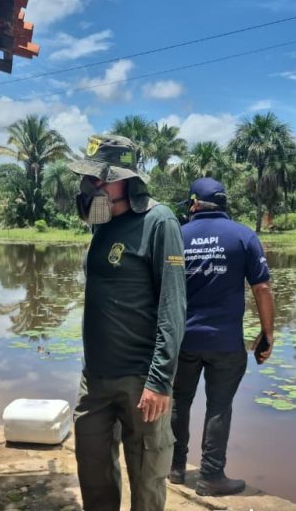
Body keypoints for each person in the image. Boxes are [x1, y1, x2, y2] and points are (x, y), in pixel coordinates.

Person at [68, 135, 186, 511]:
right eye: (88, 179)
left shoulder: (158, 222)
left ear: (125, 179)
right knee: (93, 469)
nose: (90, 187)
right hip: (96, 379)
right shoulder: (100, 226)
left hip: (141, 381)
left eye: (99, 179)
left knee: (147, 479)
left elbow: (173, 307)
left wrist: (159, 380)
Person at [168, 177, 274, 496]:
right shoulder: (243, 235)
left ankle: (174, 468)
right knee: (219, 405)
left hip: (183, 340)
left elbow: (159, 289)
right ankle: (211, 476)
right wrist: (267, 333)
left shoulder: (177, 236)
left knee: (178, 401)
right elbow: (262, 287)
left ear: (194, 204)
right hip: (225, 344)